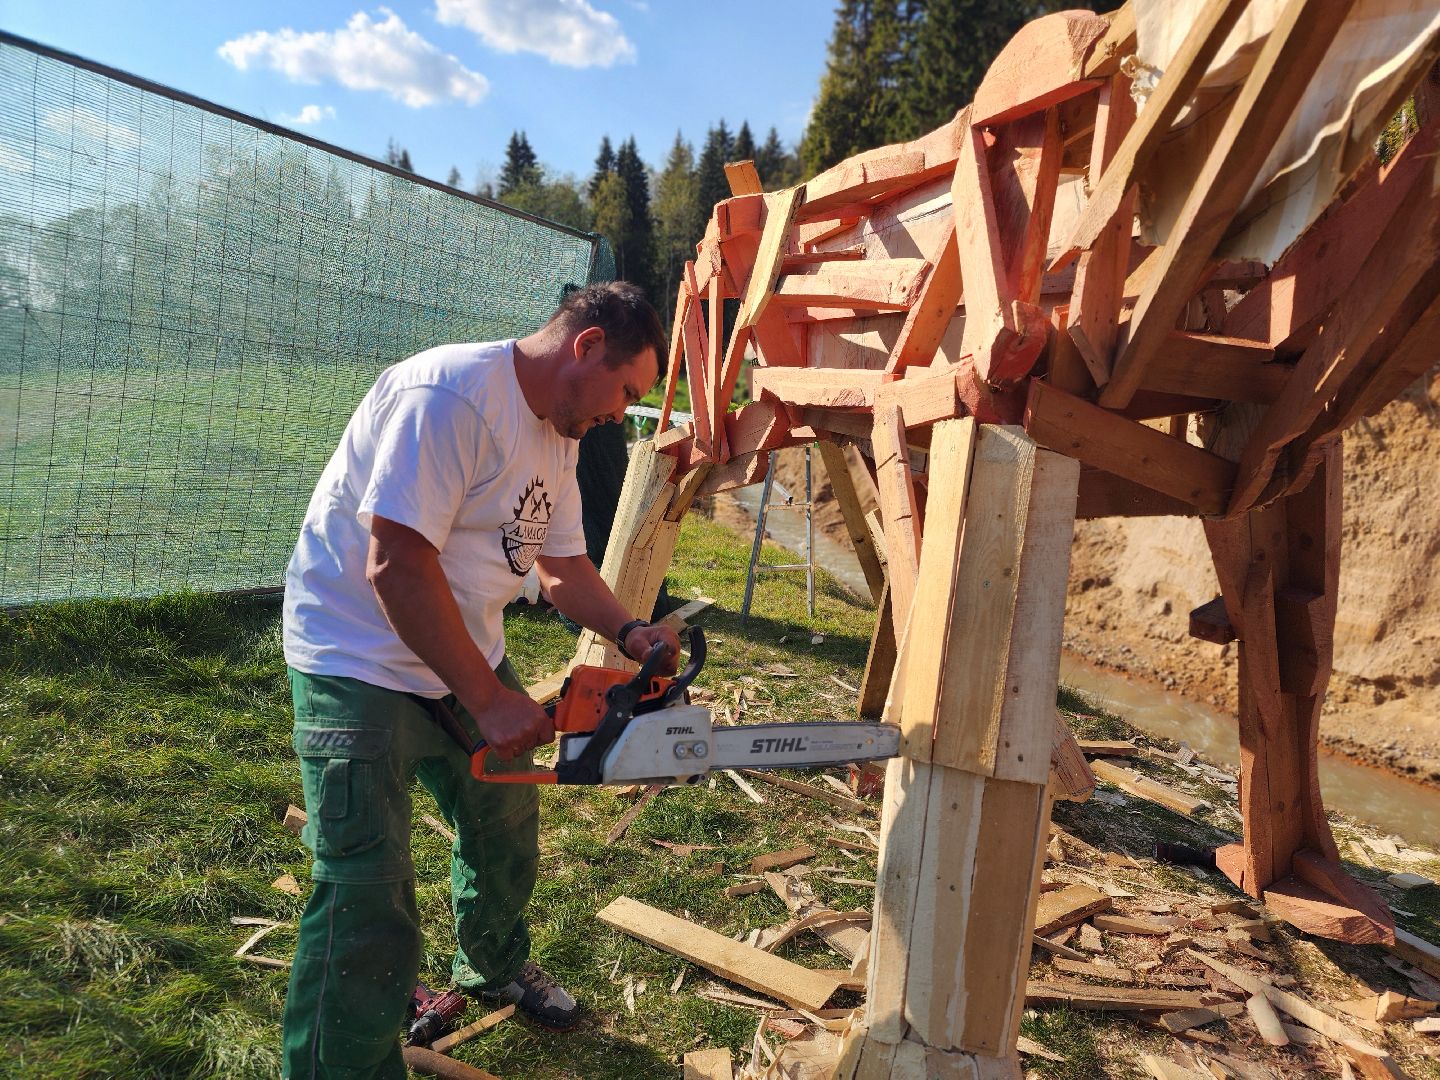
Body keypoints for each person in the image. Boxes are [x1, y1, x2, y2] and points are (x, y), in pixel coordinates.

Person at [279, 281, 681, 1078]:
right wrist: (488, 697)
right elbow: (395, 564)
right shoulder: (451, 397)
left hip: (459, 648)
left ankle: (490, 964)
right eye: (627, 392)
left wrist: (630, 632)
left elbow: (561, 565)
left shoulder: (559, 434)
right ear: (587, 346)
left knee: (502, 819)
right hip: (356, 655)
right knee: (365, 894)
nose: (620, 412)